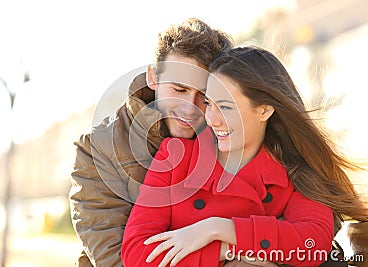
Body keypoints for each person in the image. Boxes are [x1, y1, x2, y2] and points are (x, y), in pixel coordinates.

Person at [121, 46, 368, 266]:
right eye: (209, 103)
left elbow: (313, 245)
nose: (212, 119)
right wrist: (229, 251)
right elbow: (136, 254)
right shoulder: (177, 156)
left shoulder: (294, 171)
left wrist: (218, 228)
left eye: (226, 107)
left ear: (264, 109)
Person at [69, 18, 235, 267]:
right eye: (179, 89)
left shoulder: (232, 140)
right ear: (153, 77)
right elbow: (114, 258)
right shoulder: (97, 148)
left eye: (204, 96)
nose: (190, 107)